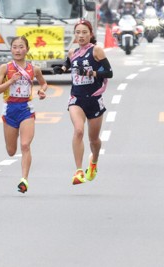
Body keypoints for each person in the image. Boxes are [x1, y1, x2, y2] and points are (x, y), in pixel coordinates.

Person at [53, 19, 113, 185]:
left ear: (90, 34)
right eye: (78, 32)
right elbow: (67, 65)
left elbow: (108, 72)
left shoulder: (97, 51)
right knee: (78, 131)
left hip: (94, 99)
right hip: (77, 99)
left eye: (84, 32)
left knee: (94, 140)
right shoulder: (73, 52)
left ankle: (93, 162)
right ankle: (79, 171)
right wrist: (60, 69)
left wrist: (90, 73)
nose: (81, 36)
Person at [0, 36, 48, 193]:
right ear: (11, 50)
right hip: (10, 110)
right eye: (15, 47)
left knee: (25, 145)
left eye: (21, 47)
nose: (18, 50)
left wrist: (42, 91)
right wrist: (10, 81)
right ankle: (21, 171)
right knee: (11, 151)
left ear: (27, 49)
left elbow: (43, 83)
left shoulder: (33, 69)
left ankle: (24, 180)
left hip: (26, 110)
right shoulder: (5, 68)